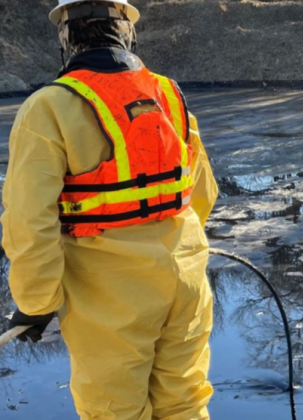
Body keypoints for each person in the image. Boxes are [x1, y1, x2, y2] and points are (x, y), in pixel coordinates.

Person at [2, 1, 218, 418]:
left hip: (111, 296)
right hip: (187, 280)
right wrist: (178, 250)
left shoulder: (48, 107)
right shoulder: (168, 94)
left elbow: (29, 220)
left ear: (66, 37)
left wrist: (37, 301)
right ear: (127, 32)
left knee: (114, 411)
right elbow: (202, 193)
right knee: (186, 403)